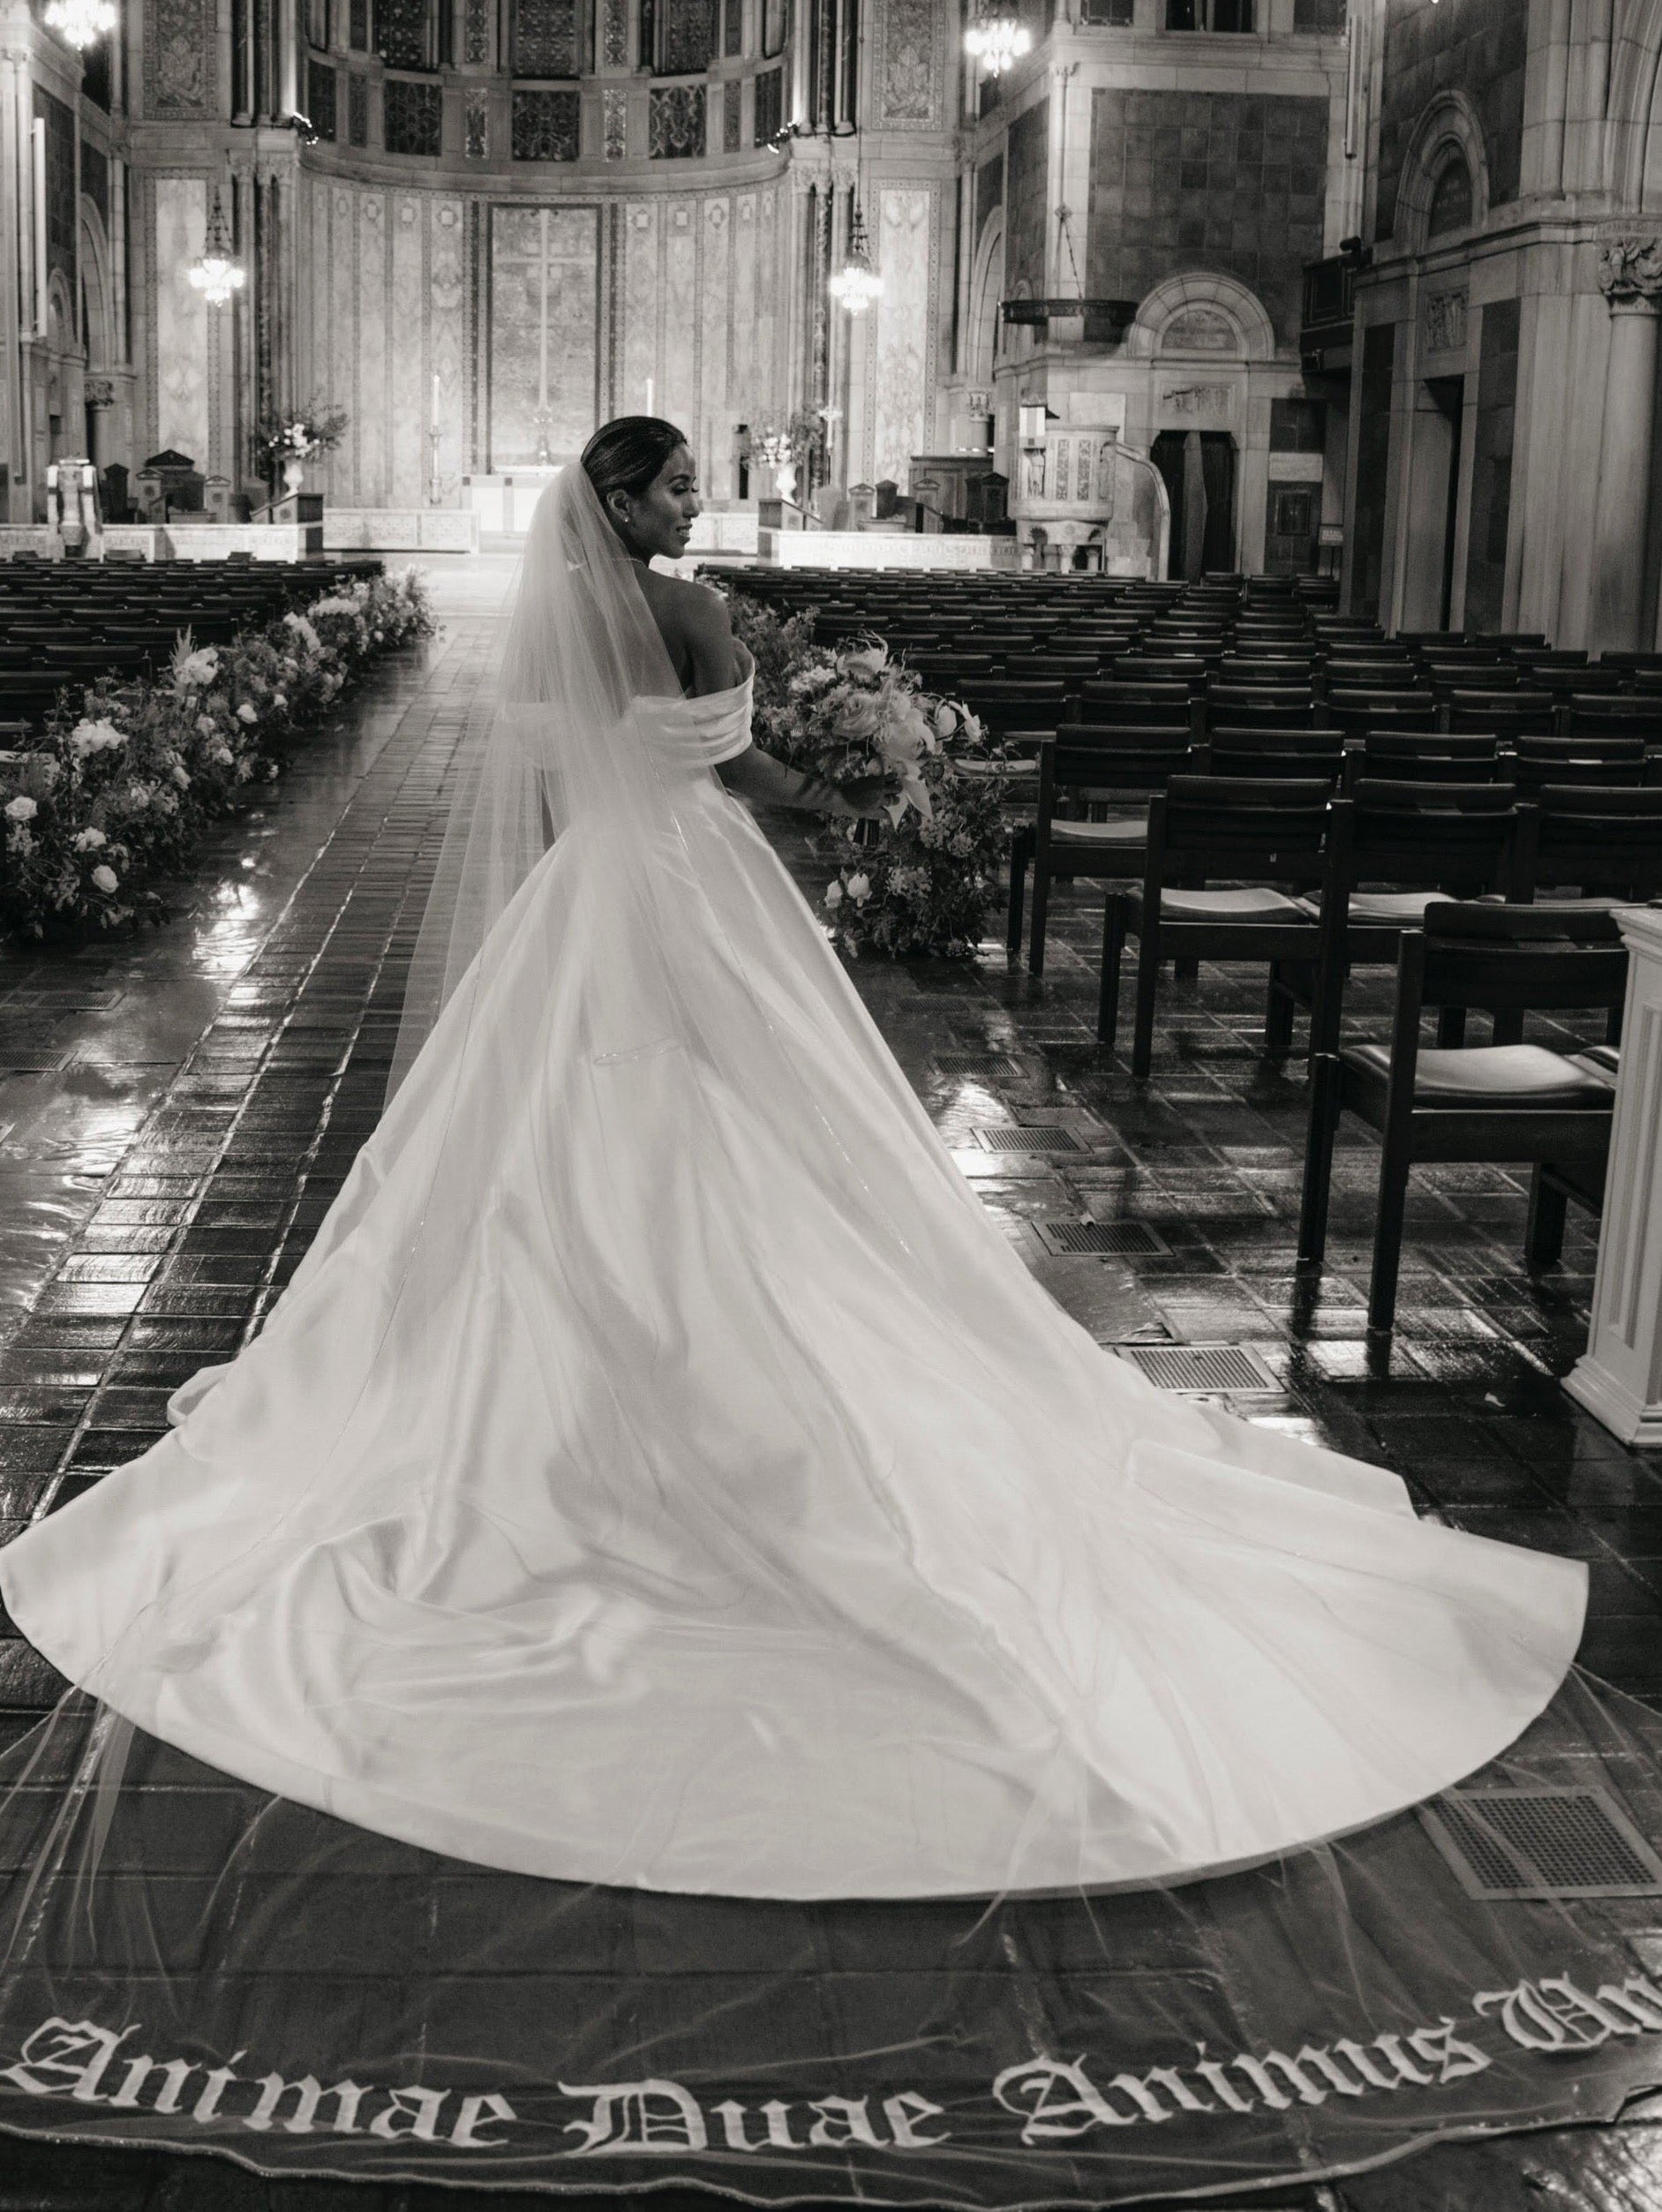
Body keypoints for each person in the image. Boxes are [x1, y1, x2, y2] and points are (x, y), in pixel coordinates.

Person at [0, 419, 1587, 1904]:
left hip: (590, 889)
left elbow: (576, 784)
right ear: (624, 504)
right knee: (755, 1108)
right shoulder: (690, 616)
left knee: (557, 1118)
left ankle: (586, 1323)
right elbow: (732, 772)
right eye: (676, 484)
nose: (695, 503)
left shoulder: (562, 620)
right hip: (695, 876)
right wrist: (844, 792)